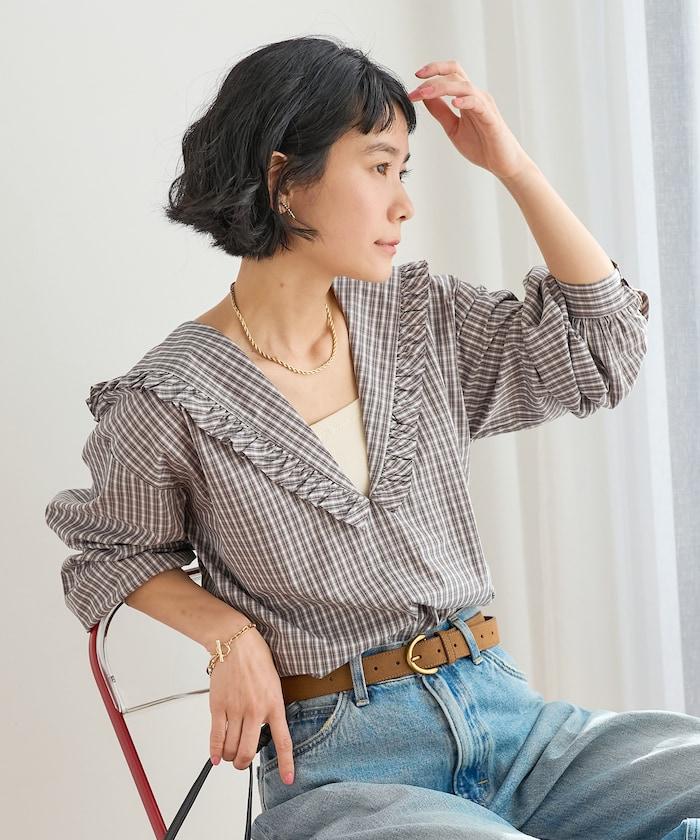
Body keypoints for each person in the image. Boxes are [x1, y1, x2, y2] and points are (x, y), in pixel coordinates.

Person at [45, 34, 698, 840]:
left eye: (404, 172)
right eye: (380, 167)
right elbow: (109, 553)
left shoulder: (421, 321)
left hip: (513, 726)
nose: (403, 204)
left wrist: (514, 168)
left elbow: (602, 348)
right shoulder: (171, 397)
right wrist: (227, 631)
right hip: (349, 766)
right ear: (285, 181)